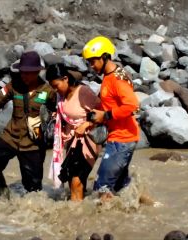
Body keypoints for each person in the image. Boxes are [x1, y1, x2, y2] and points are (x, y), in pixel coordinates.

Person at [0, 51, 56, 197]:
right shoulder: (13, 86)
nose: (24, 75)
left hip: (33, 142)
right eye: (22, 72)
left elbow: (57, 113)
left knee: (33, 188)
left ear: (37, 71)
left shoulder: (48, 91)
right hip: (10, 136)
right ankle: (4, 197)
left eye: (28, 73)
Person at [82, 36, 140, 201]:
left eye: (93, 61)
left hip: (123, 139)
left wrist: (106, 115)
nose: (91, 66)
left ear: (105, 57)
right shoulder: (109, 75)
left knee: (102, 187)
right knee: (123, 188)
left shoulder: (117, 79)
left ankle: (103, 224)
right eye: (89, 62)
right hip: (119, 136)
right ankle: (151, 207)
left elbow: (132, 106)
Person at [45, 63, 101, 201]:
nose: (55, 89)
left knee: (76, 181)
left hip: (87, 143)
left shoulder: (84, 92)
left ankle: (77, 217)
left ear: (65, 79)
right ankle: (79, 212)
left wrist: (86, 124)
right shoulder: (61, 96)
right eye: (52, 86)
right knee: (72, 182)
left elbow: (102, 114)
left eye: (56, 85)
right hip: (71, 144)